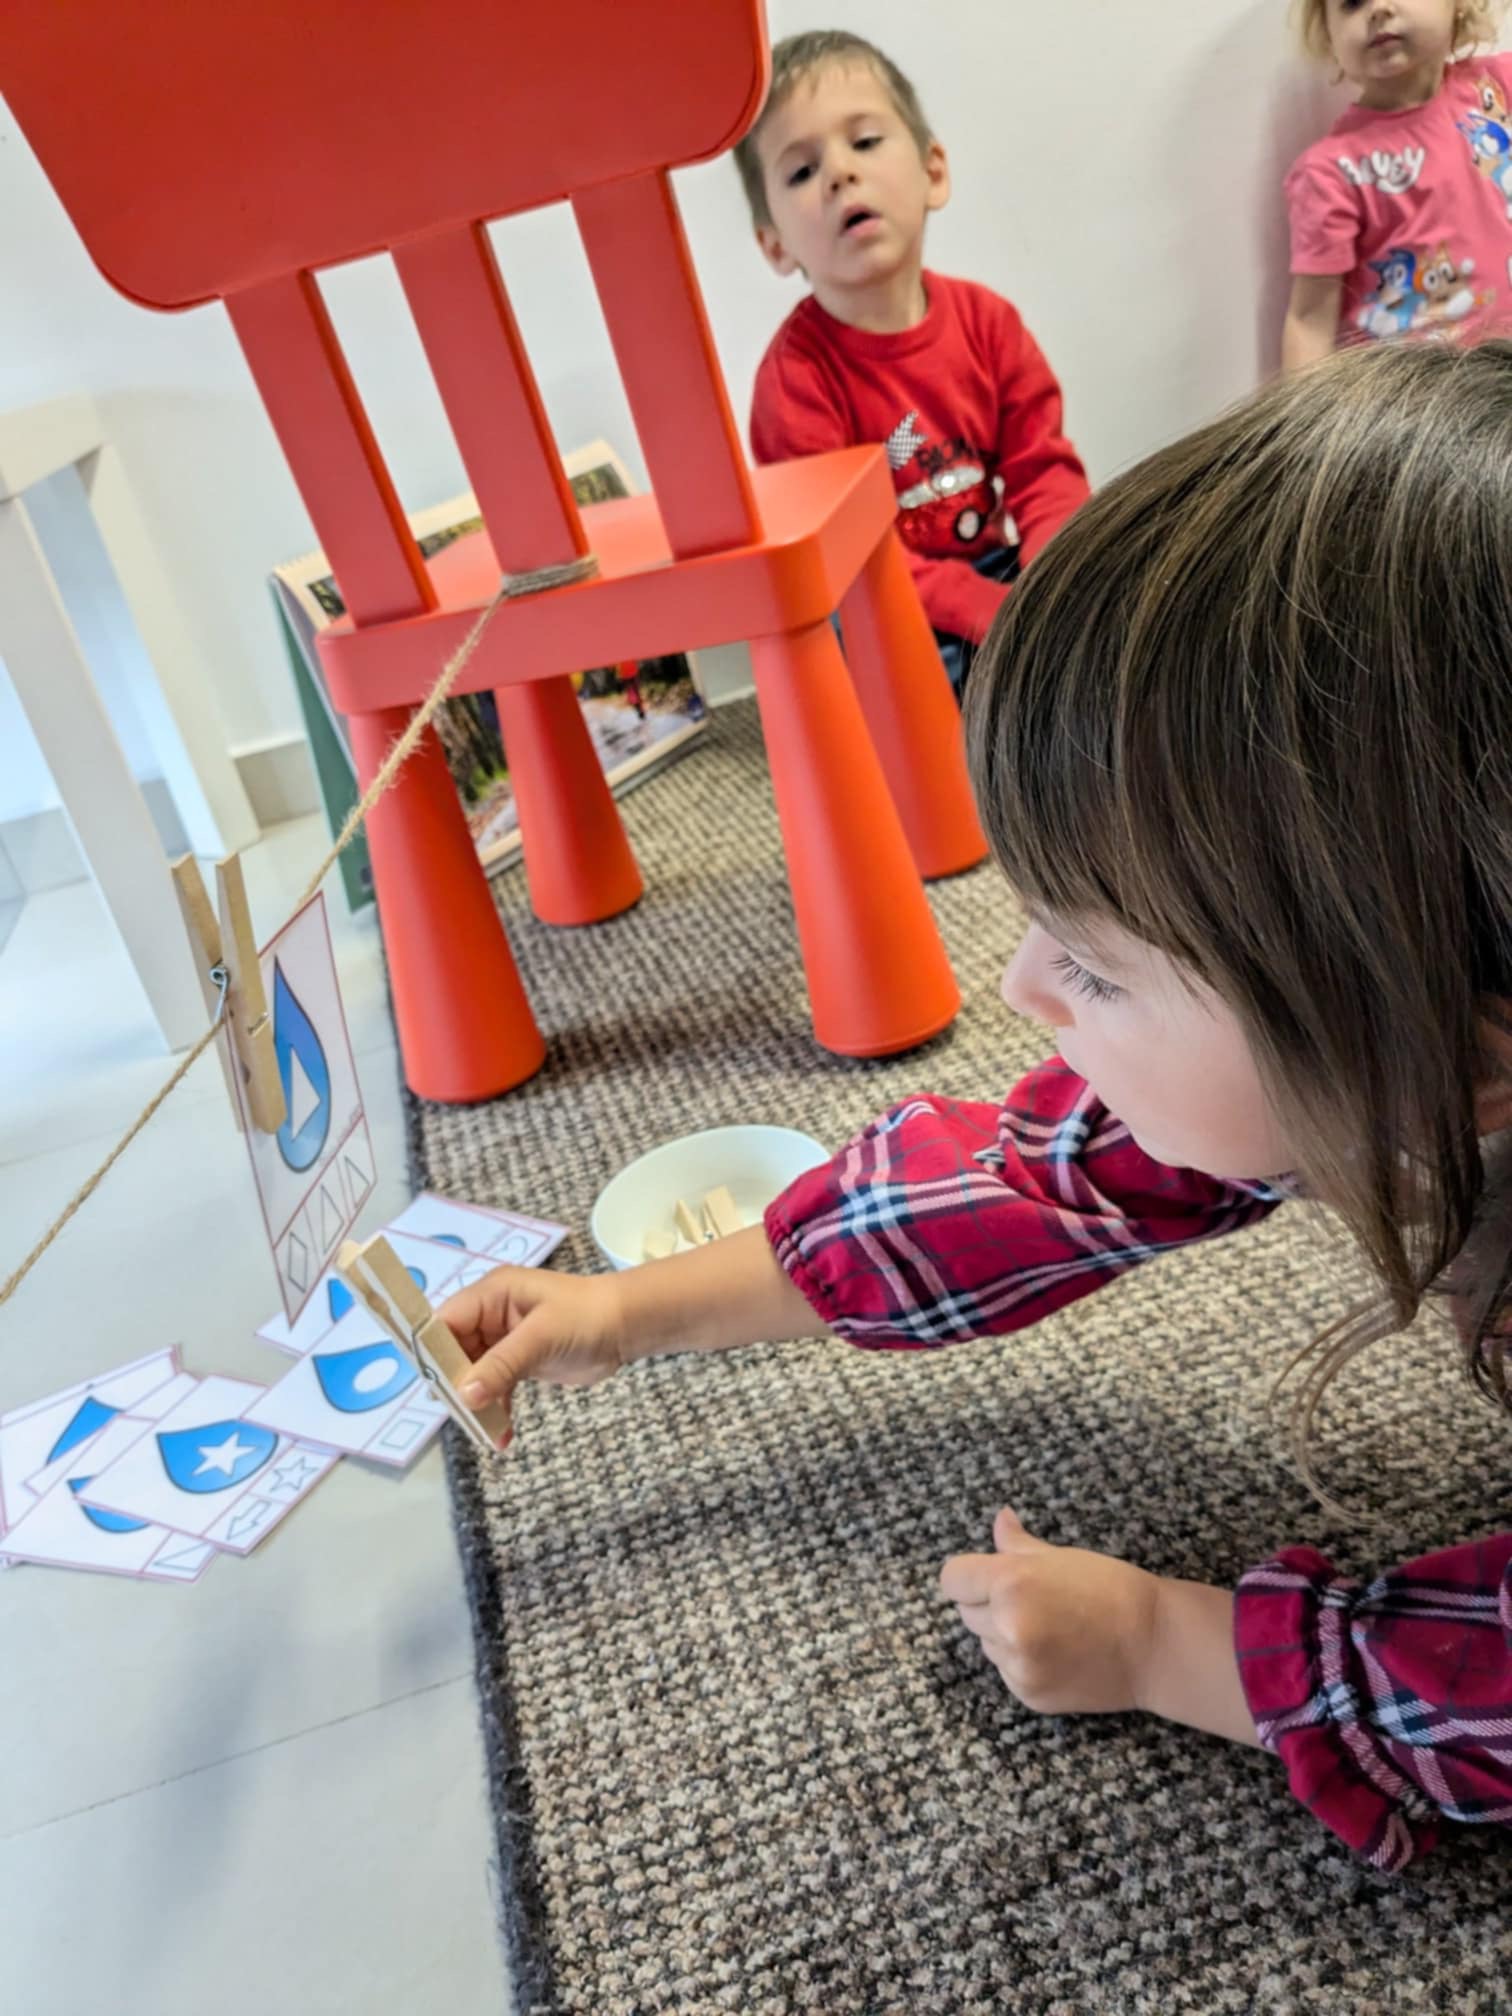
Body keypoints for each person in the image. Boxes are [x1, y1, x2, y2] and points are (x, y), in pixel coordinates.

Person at [440, 340, 1512, 1871]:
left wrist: (1168, 1646)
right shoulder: (1402, 1031)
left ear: (1458, 1050)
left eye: (1103, 965)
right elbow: (1028, 1184)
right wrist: (620, 1317)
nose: (1021, 989)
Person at [735, 30, 1089, 695]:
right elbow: (856, 560)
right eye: (802, 170)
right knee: (881, 669)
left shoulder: (989, 324)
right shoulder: (794, 384)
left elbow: (1045, 474)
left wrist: (1052, 586)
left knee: (1101, 621)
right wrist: (987, 613)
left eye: (864, 142)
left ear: (932, 172)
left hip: (995, 566)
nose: (840, 172)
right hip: (883, 600)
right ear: (775, 244)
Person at [1283, 0, 1512, 368]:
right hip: (1421, 402)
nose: (1378, 9)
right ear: (1329, 34)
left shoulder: (1499, 86)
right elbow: (1310, 322)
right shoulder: (1331, 173)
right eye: (1351, 3)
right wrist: (1302, 422)